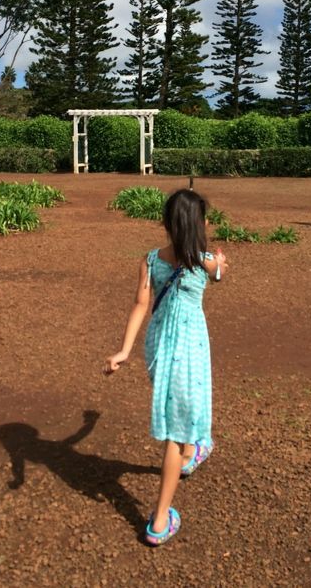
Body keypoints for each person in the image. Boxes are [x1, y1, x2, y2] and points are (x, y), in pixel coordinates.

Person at [104, 188, 227, 546]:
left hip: (157, 346)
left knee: (179, 409)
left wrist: (124, 350)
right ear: (200, 225)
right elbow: (220, 273)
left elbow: (140, 305)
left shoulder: (150, 261)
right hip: (189, 348)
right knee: (177, 428)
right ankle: (160, 519)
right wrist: (220, 263)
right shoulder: (204, 261)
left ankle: (190, 453)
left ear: (167, 223)